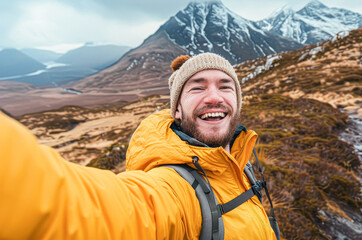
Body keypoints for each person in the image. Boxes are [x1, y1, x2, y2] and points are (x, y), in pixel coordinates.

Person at [0, 53, 277, 239]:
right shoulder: (176, 189)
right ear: (176, 110)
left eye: (225, 86)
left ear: (238, 102)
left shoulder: (239, 163)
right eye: (197, 87)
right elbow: (85, 209)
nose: (214, 97)